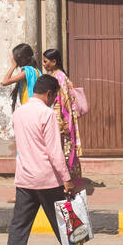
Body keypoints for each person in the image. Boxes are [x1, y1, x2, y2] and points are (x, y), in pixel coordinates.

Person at [4, 73, 101, 245]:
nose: (54, 101)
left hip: (25, 178)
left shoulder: (18, 113)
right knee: (63, 222)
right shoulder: (46, 114)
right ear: (49, 93)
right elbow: (54, 151)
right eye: (54, 97)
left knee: (19, 226)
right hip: (47, 178)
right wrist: (67, 179)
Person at [41, 47, 84, 192]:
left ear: (54, 62)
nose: (44, 64)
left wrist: (63, 123)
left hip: (60, 121)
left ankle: (64, 185)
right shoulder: (60, 76)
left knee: (61, 153)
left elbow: (63, 102)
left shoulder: (57, 77)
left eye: (46, 62)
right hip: (61, 120)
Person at [0, 42, 42, 112]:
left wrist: (13, 66)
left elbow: (5, 82)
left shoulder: (27, 72)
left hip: (30, 109)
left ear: (21, 58)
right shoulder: (35, 70)